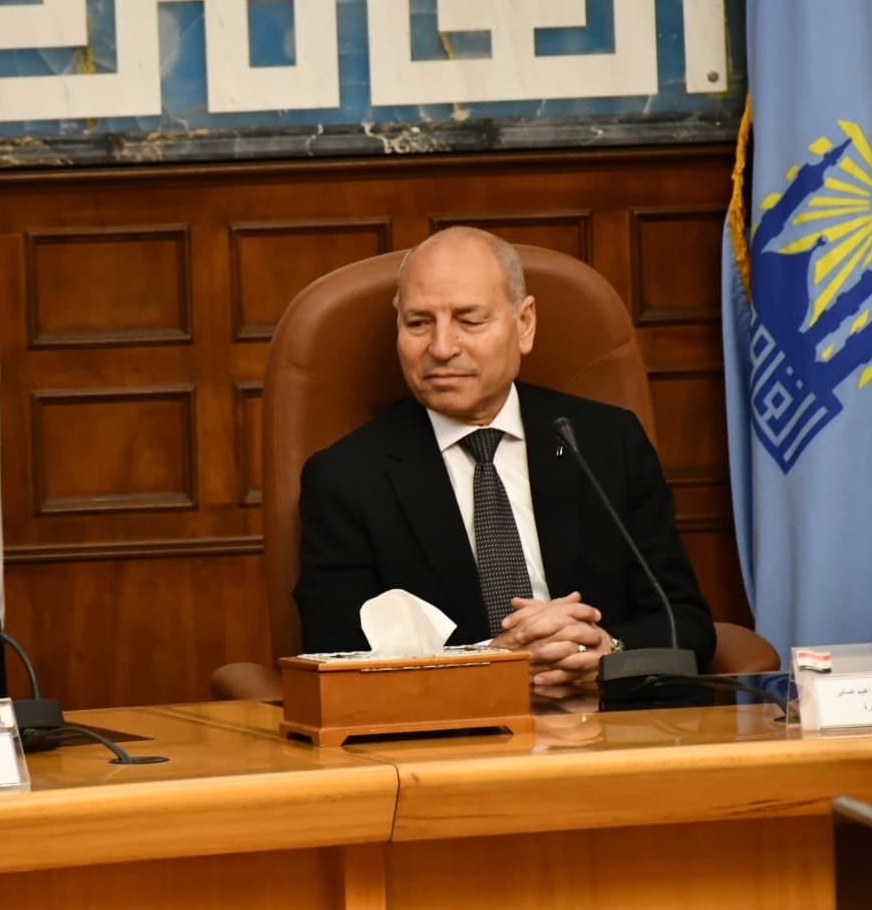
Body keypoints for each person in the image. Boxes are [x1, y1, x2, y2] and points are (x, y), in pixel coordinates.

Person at [293, 228, 715, 685]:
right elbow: (334, 654)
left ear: (524, 323)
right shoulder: (346, 478)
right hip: (453, 725)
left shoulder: (606, 443)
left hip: (603, 713)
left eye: (470, 321)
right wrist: (493, 662)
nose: (441, 347)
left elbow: (685, 622)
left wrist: (609, 651)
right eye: (418, 323)